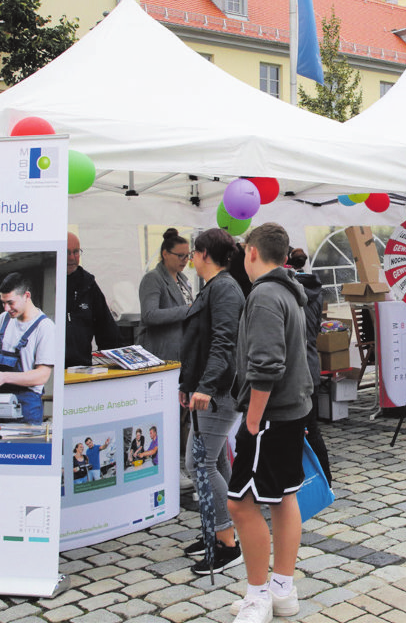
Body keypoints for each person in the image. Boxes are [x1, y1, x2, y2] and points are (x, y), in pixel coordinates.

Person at [227, 223, 314, 623]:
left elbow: (266, 365)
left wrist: (252, 420)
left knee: (240, 503)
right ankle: (281, 589)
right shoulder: (289, 291)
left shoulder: (264, 295)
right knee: (283, 498)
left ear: (251, 252)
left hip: (270, 415)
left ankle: (259, 594)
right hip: (292, 410)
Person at [179, 226, 246, 574]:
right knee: (214, 461)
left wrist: (204, 386)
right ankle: (215, 530)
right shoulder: (214, 287)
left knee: (199, 464)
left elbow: (224, 344)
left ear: (204, 254)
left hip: (218, 392)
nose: (191, 257)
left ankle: (227, 544)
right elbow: (200, 343)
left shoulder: (225, 289)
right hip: (207, 388)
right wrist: (186, 383)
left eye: (194, 251)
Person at [0, 272, 56, 424]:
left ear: (26, 296)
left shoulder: (45, 327)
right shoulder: (3, 319)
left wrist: (3, 377)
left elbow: (42, 375)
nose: (6, 308)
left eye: (11, 303)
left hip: (26, 408)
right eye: (3, 303)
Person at [287, 247, 333, 485]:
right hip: (312, 364)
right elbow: (315, 328)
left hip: (296, 369)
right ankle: (325, 479)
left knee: (297, 430)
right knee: (311, 428)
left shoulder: (290, 291)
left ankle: (303, 483)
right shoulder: (317, 290)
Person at [65, 232, 121, 367]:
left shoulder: (88, 283)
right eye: (66, 252)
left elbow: (106, 327)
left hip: (81, 367)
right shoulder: (43, 282)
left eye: (76, 252)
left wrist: (118, 359)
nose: (72, 257)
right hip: (48, 371)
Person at [138, 228, 194, 361]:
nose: (185, 260)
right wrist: (188, 310)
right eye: (180, 255)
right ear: (165, 254)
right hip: (161, 353)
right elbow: (149, 315)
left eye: (187, 255)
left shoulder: (183, 279)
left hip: (182, 350)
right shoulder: (153, 278)